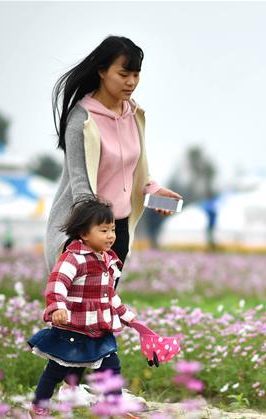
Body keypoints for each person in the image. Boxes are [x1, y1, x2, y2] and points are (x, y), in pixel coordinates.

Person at [48, 35, 182, 284]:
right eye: (123, 74)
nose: (131, 82)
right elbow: (80, 188)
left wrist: (154, 191)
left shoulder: (133, 114)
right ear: (101, 71)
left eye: (136, 74)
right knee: (79, 315)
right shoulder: (82, 120)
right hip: (86, 232)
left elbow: (133, 170)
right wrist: (94, 238)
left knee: (101, 312)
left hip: (117, 232)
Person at [27, 197, 140, 419]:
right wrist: (57, 307)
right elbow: (57, 283)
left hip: (99, 327)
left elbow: (108, 294)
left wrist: (125, 315)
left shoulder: (108, 259)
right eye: (103, 230)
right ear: (84, 234)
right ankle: (39, 406)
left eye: (113, 229)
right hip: (73, 327)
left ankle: (113, 408)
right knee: (56, 369)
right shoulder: (73, 258)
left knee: (111, 368)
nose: (111, 236)